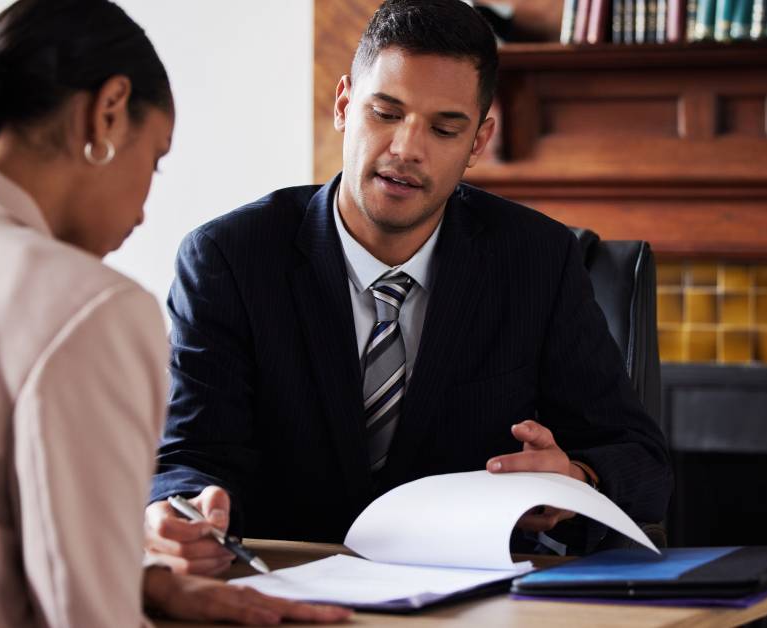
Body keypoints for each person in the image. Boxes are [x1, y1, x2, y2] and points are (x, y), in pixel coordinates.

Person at [145, 0, 672, 575]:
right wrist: (181, 510)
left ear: (477, 140)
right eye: (386, 113)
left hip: (472, 596)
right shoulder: (228, 259)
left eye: (445, 129)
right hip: (282, 584)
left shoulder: (538, 261)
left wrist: (575, 478)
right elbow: (188, 455)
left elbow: (641, 462)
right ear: (345, 105)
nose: (406, 149)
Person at [0, 1, 350, 626]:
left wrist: (147, 581)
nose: (144, 211)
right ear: (107, 111)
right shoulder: (89, 308)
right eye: (154, 159)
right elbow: (87, 614)